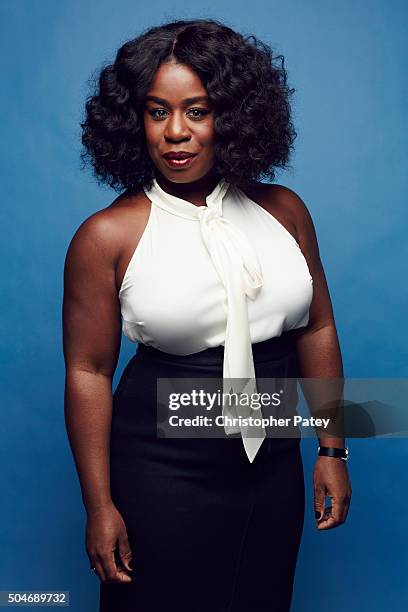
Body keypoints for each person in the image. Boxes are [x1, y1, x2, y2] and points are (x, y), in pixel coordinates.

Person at [63, 18, 352, 612]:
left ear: (234, 115)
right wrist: (100, 506)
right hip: (161, 467)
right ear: (132, 120)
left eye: (197, 111)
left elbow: (318, 328)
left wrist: (331, 448)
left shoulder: (285, 211)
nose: (176, 133)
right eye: (156, 111)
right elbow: (88, 372)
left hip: (272, 462)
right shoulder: (107, 236)